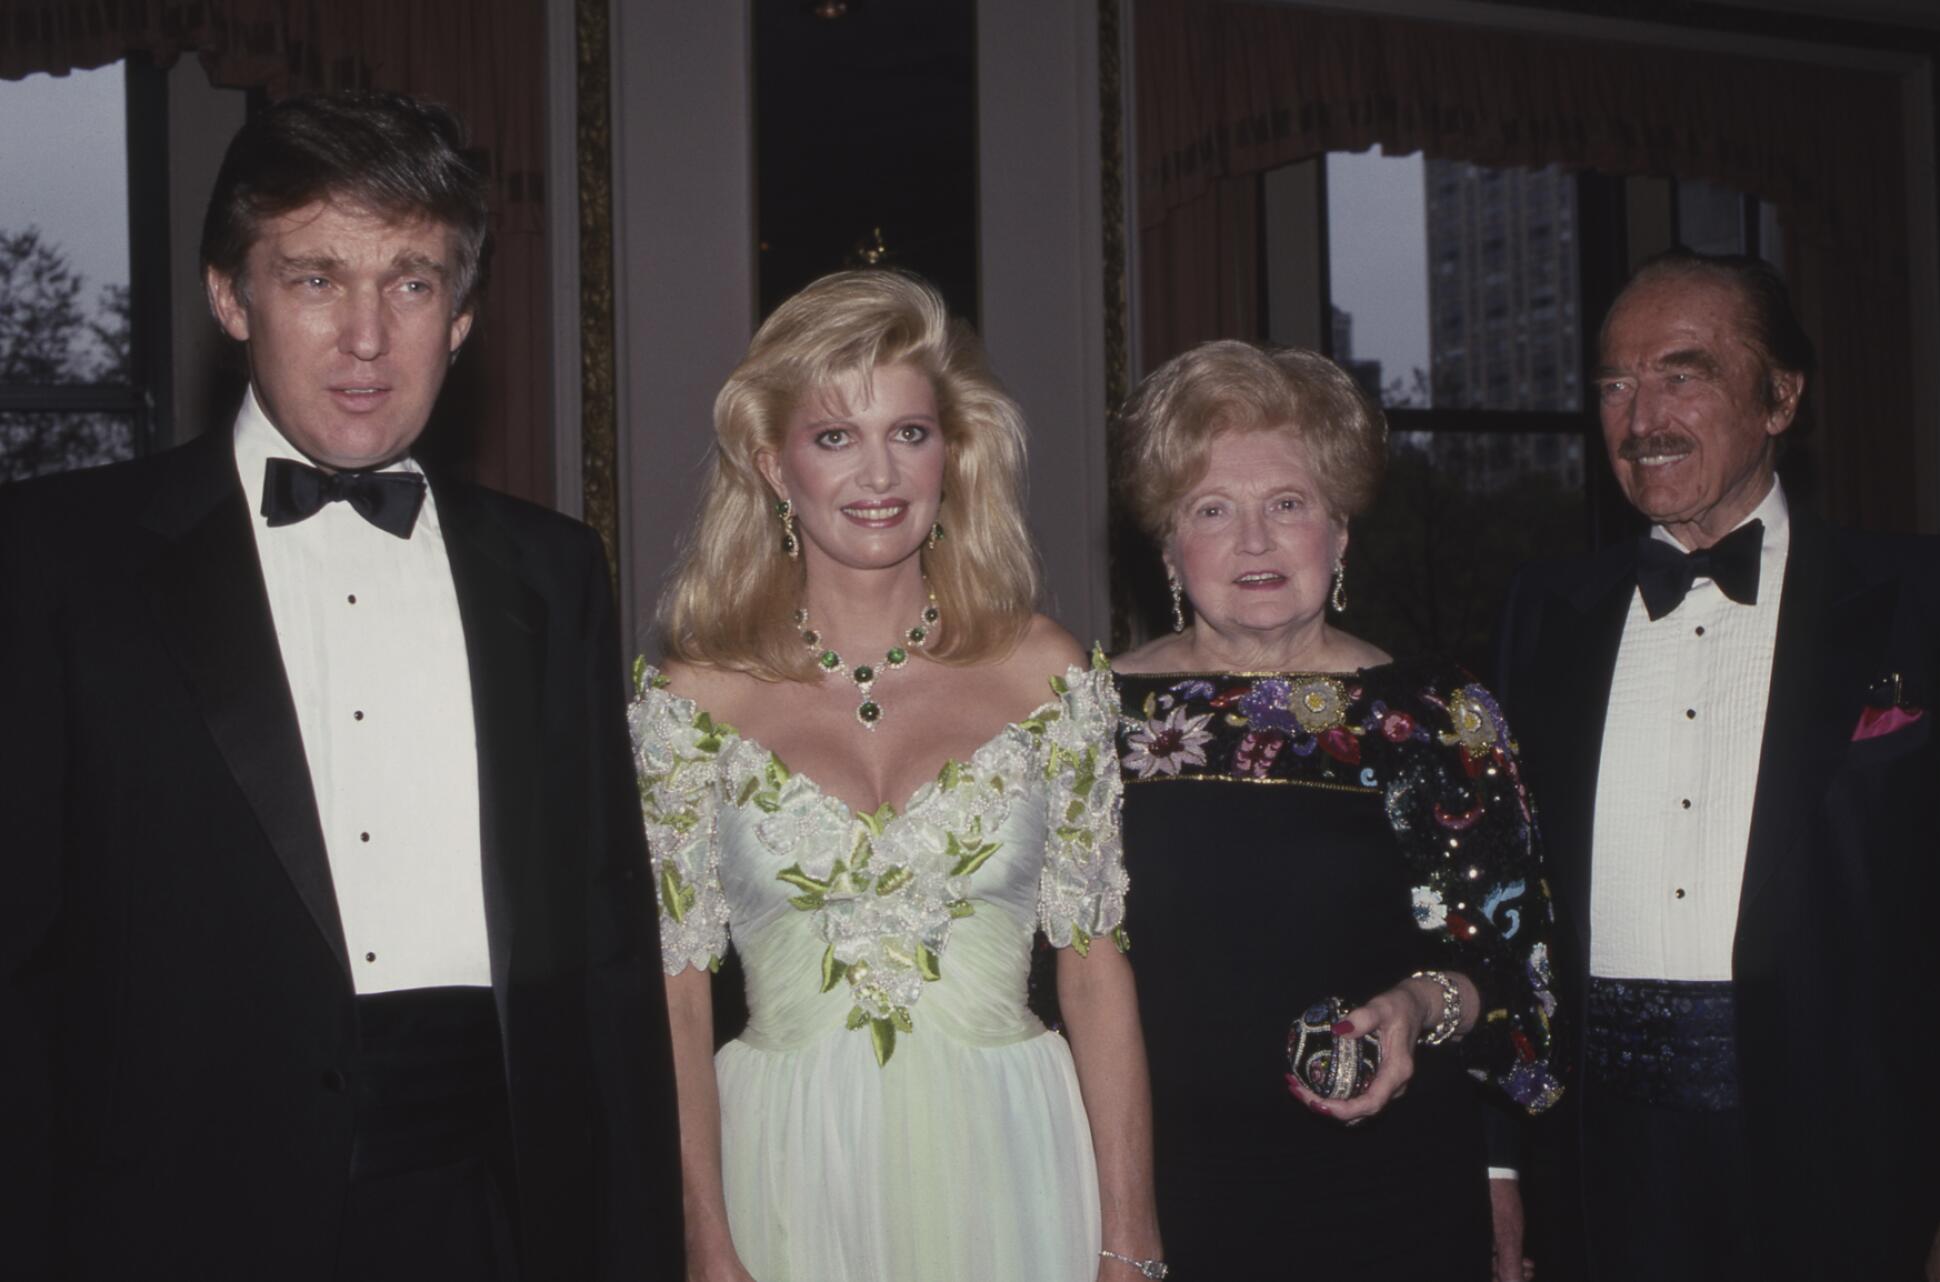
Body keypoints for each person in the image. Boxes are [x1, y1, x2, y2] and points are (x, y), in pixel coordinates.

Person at [0, 93, 680, 1280]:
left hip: (494, 1214)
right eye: (315, 278)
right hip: (175, 1217)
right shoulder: (61, 560)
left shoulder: (553, 571)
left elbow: (608, 959)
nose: (367, 337)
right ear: (230, 296)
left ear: (461, 317)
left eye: (410, 283)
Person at [629, 269, 1161, 1282]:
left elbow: (1094, 967)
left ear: (951, 454)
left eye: (908, 433)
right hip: (781, 1163)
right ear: (772, 463)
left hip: (1014, 1159)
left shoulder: (1049, 673)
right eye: (834, 436)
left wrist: (1129, 1236)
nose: (879, 475)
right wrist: (702, 1236)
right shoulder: (692, 699)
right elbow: (674, 993)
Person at [1494, 249, 1940, 1282]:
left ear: (1778, 398)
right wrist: (1504, 1174)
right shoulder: (1542, 611)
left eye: (1681, 373)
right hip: (1598, 1161)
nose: (1639, 418)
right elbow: (1506, 911)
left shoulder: (1928, 596)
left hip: (1850, 1158)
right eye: (1613, 384)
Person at [1109, 340, 1561, 1280]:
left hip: (1382, 1194)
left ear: (1341, 531)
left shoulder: (1437, 717)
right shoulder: (1085, 721)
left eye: (1287, 504)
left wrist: (1416, 1006)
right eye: (1212, 510)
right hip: (1143, 1195)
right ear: (1167, 545)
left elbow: (1515, 975)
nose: (1255, 541)